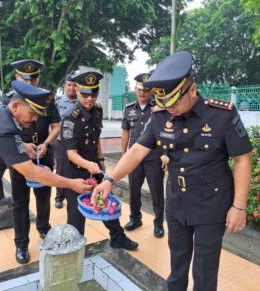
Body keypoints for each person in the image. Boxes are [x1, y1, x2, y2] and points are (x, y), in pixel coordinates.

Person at [92, 51, 252, 291]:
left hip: (212, 204)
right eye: (164, 102)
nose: (169, 108)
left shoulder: (221, 114)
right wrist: (109, 179)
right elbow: (137, 151)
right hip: (177, 203)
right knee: (177, 265)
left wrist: (239, 207)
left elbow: (242, 159)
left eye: (174, 101)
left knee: (205, 271)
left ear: (192, 89)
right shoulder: (160, 116)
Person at [0, 80, 91, 291]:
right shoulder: (3, 131)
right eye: (33, 112)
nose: (36, 118)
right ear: (15, 106)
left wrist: (22, 146)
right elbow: (33, 172)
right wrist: (71, 184)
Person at [60, 71, 138, 250]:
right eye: (85, 94)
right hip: (74, 169)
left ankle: (117, 237)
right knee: (76, 212)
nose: (90, 99)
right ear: (78, 92)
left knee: (104, 200)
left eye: (93, 94)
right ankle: (74, 247)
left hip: (94, 164)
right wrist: (89, 165)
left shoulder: (97, 111)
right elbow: (70, 153)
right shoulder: (69, 119)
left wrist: (101, 159)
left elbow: (96, 139)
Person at [7, 59, 60, 264]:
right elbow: (5, 133)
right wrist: (22, 146)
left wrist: (46, 143)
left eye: (34, 79)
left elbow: (55, 126)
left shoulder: (47, 99)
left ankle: (44, 229)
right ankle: (21, 244)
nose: (30, 84)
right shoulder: (9, 101)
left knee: (43, 197)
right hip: (19, 155)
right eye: (24, 79)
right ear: (16, 78)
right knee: (19, 202)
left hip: (43, 153)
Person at [122, 73, 165, 238]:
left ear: (151, 92)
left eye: (146, 90)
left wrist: (165, 155)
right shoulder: (129, 109)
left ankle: (159, 223)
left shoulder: (159, 109)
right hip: (134, 158)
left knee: (156, 191)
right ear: (135, 89)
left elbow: (165, 133)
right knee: (133, 190)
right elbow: (125, 133)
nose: (142, 93)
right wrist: (125, 155)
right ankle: (135, 218)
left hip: (154, 157)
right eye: (140, 89)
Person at [54, 73, 78, 209]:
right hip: (61, 142)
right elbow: (53, 124)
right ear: (64, 86)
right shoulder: (57, 102)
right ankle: (59, 196)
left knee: (76, 169)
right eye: (69, 85)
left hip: (77, 141)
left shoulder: (81, 102)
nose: (72, 88)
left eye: (75, 85)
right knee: (61, 169)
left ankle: (74, 194)